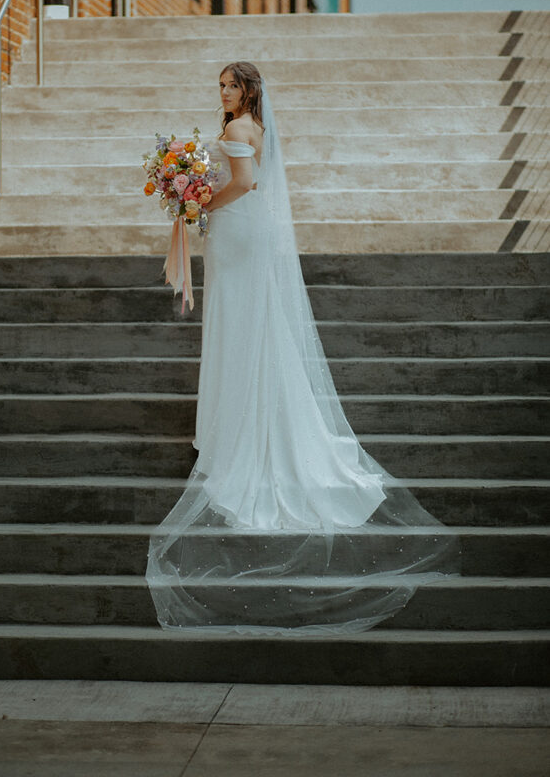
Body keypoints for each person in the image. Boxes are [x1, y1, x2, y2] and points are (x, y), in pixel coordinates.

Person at [146, 61, 460, 634]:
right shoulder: (252, 129)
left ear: (247, 92)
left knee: (243, 328)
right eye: (220, 85)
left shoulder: (241, 132)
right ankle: (236, 424)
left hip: (238, 230)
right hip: (241, 236)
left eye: (229, 86)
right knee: (245, 329)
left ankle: (242, 436)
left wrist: (197, 204)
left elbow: (243, 185)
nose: (221, 93)